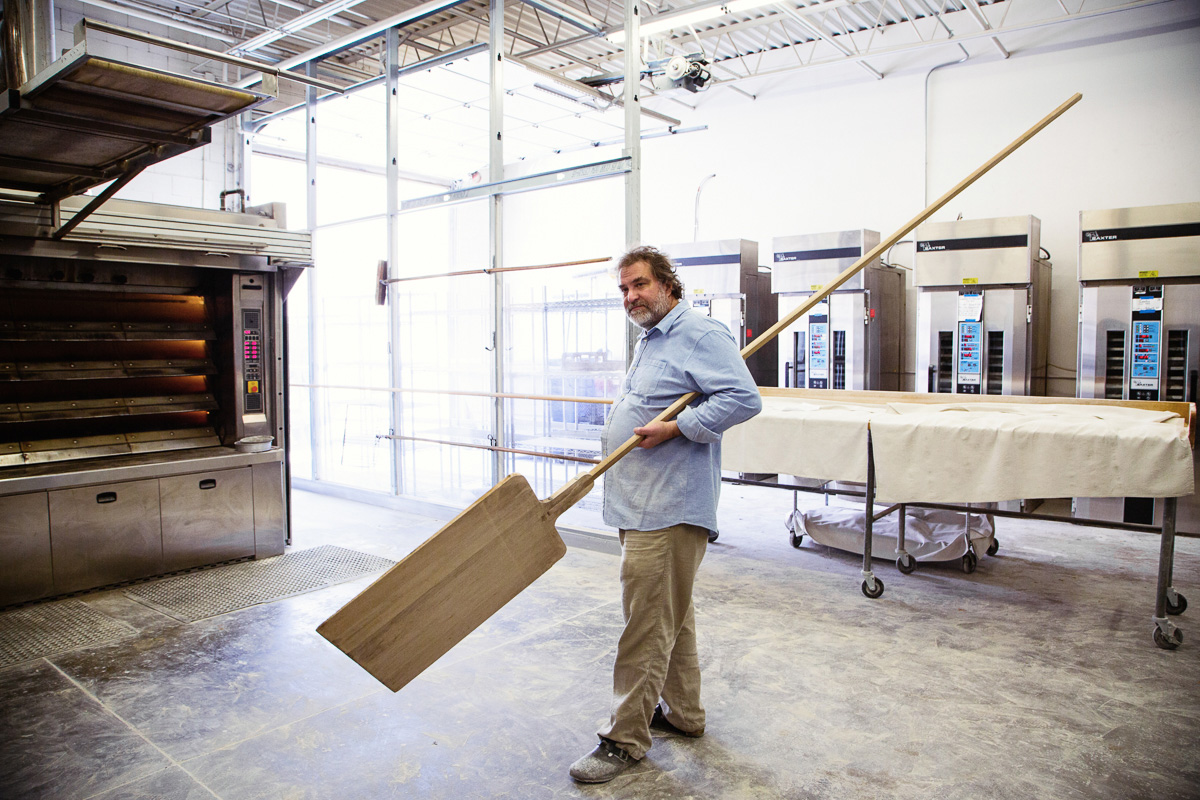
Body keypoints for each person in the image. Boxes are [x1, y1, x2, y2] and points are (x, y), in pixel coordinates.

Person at [569, 245, 762, 783]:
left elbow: (744, 399)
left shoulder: (699, 335)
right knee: (670, 615)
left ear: (667, 285)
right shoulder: (651, 339)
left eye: (640, 285)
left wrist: (677, 428)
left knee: (646, 625)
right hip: (642, 502)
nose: (631, 296)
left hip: (670, 507)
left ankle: (624, 738)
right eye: (624, 289)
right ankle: (683, 714)